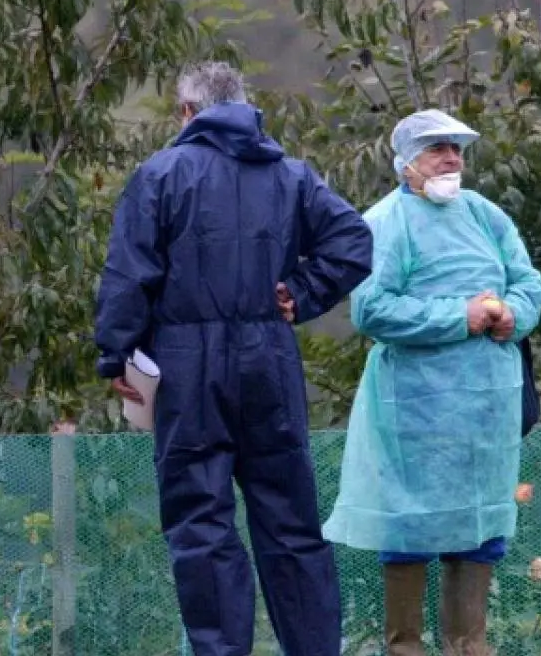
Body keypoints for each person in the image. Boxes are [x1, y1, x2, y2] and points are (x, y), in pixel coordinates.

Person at [94, 61, 374, 656]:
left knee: (202, 525)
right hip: (269, 362)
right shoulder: (292, 176)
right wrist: (302, 292)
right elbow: (352, 241)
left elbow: (129, 275)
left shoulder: (161, 174)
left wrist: (117, 354)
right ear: (245, 107)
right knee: (291, 525)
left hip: (185, 367)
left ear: (187, 113)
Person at [321, 109, 541, 656]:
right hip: (416, 412)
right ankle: (405, 647)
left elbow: (529, 282)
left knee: (480, 527)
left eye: (456, 149)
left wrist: (511, 314)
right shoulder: (386, 222)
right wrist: (459, 317)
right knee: (410, 531)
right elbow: (372, 308)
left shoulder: (485, 216)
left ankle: (469, 647)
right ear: (406, 164)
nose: (451, 158)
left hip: (488, 412)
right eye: (436, 149)